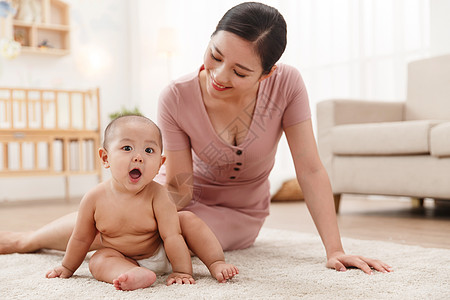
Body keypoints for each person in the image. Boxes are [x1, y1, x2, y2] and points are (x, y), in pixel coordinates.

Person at [1, 2, 392, 275]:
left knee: (178, 235)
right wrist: (137, 212)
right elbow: (179, 184)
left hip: (240, 213)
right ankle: (25, 241)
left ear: (266, 74)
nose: (220, 75)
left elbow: (309, 168)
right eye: (215, 54)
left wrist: (334, 249)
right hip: (184, 196)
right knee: (124, 217)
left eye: (240, 72)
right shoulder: (176, 94)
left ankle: (38, 240)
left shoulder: (286, 84)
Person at [45, 115, 238, 291]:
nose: (138, 157)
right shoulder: (94, 198)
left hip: (162, 253)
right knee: (98, 260)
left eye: (149, 150)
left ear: (160, 164)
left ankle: (215, 262)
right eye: (127, 148)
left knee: (187, 219)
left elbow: (172, 236)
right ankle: (132, 274)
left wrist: (182, 271)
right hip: (123, 257)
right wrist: (67, 266)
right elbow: (81, 239)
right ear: (105, 158)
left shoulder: (158, 194)